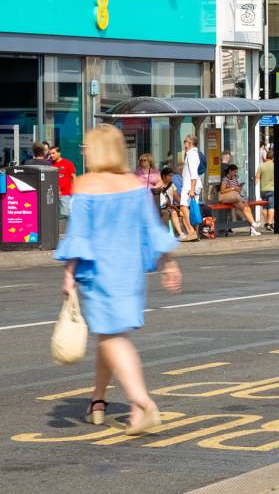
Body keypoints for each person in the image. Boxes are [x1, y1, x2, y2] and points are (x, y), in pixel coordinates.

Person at [54, 124, 182, 436]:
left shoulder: (86, 184)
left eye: (86, 145)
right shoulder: (132, 184)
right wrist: (169, 263)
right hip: (129, 271)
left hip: (100, 272)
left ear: (98, 150)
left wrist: (69, 274)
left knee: (111, 337)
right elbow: (151, 228)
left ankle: (142, 402)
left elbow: (79, 236)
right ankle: (98, 402)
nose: (82, 150)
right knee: (109, 335)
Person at [218, 164, 261, 236]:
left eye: (236, 172)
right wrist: (233, 188)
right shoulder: (225, 179)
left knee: (246, 207)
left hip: (235, 198)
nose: (235, 173)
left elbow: (237, 190)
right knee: (244, 206)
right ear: (230, 171)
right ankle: (253, 224)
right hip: (230, 198)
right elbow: (222, 190)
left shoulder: (235, 179)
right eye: (234, 172)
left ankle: (253, 227)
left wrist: (239, 188)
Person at [178, 135, 202, 243]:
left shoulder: (192, 155)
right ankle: (194, 233)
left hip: (190, 184)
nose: (184, 144)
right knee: (192, 208)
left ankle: (192, 232)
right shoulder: (191, 154)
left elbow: (193, 174)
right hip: (192, 184)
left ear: (191, 142)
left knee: (183, 206)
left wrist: (192, 189)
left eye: (185, 141)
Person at [49, 144, 77, 219]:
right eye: (50, 154)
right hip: (53, 195)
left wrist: (73, 190)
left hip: (66, 194)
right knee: (54, 217)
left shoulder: (68, 163)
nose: (51, 155)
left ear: (59, 153)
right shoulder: (50, 165)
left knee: (65, 216)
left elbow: (74, 177)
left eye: (53, 153)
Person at [157, 167, 185, 238]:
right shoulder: (158, 186)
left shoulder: (172, 185)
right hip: (163, 207)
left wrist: (183, 206)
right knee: (174, 213)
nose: (171, 177)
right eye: (169, 176)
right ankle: (180, 233)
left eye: (172, 176)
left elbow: (177, 197)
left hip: (171, 207)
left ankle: (186, 232)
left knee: (183, 212)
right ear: (163, 176)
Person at [256, 149, 275, 232]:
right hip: (272, 190)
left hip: (263, 190)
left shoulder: (261, 166)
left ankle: (266, 222)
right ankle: (270, 224)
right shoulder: (274, 165)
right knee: (271, 206)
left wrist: (254, 187)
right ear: (273, 157)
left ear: (266, 157)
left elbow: (257, 177)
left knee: (264, 206)